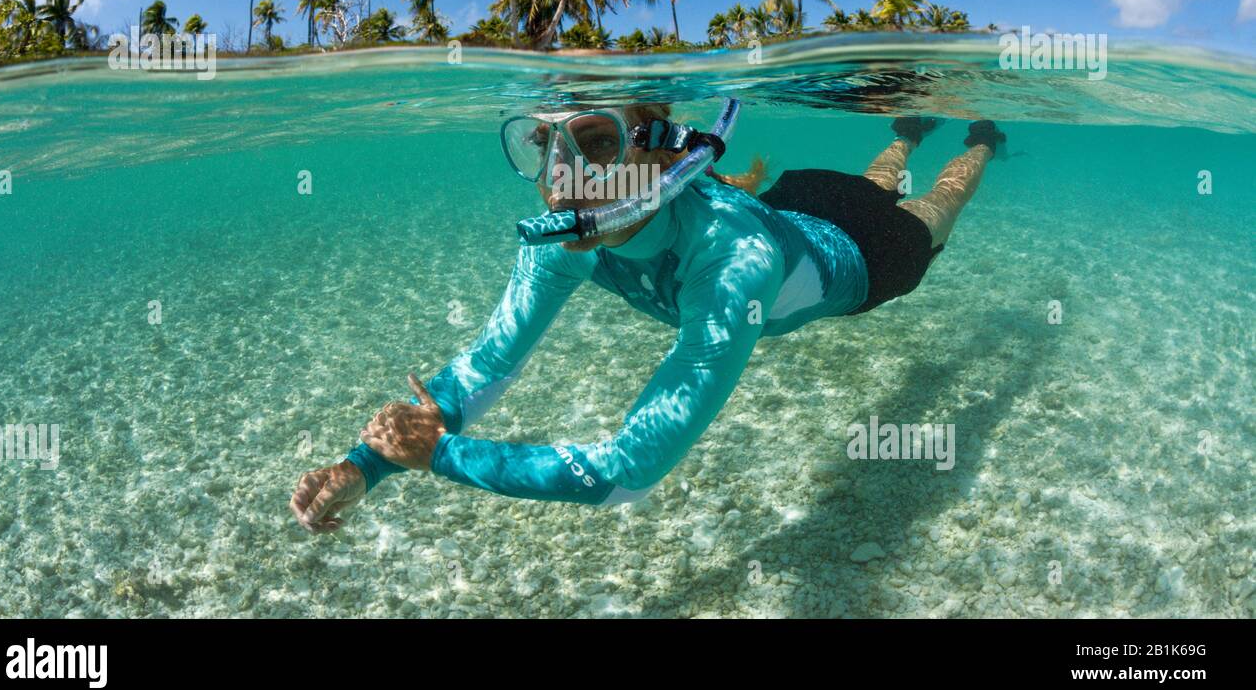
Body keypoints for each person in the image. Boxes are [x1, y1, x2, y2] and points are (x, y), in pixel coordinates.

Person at [290, 106, 1005, 530]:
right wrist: (364, 466)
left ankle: (979, 142)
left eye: (597, 143)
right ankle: (909, 130)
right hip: (793, 207)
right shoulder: (565, 237)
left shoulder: (734, 263)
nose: (562, 178)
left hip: (861, 260)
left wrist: (440, 455)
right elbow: (485, 368)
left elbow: (623, 475)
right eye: (546, 145)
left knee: (934, 206)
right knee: (877, 177)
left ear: (663, 149)